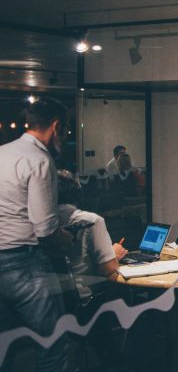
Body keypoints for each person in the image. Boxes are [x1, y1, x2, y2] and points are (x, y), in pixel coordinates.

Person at [0, 97, 73, 372]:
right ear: (55, 127)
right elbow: (44, 226)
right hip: (23, 263)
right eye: (64, 131)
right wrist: (64, 239)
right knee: (53, 343)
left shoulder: (2, 152)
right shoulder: (39, 159)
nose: (63, 138)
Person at [57, 170, 128, 286]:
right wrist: (113, 254)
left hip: (53, 297)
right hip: (87, 294)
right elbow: (107, 269)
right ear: (78, 192)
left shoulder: (38, 224)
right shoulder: (91, 221)